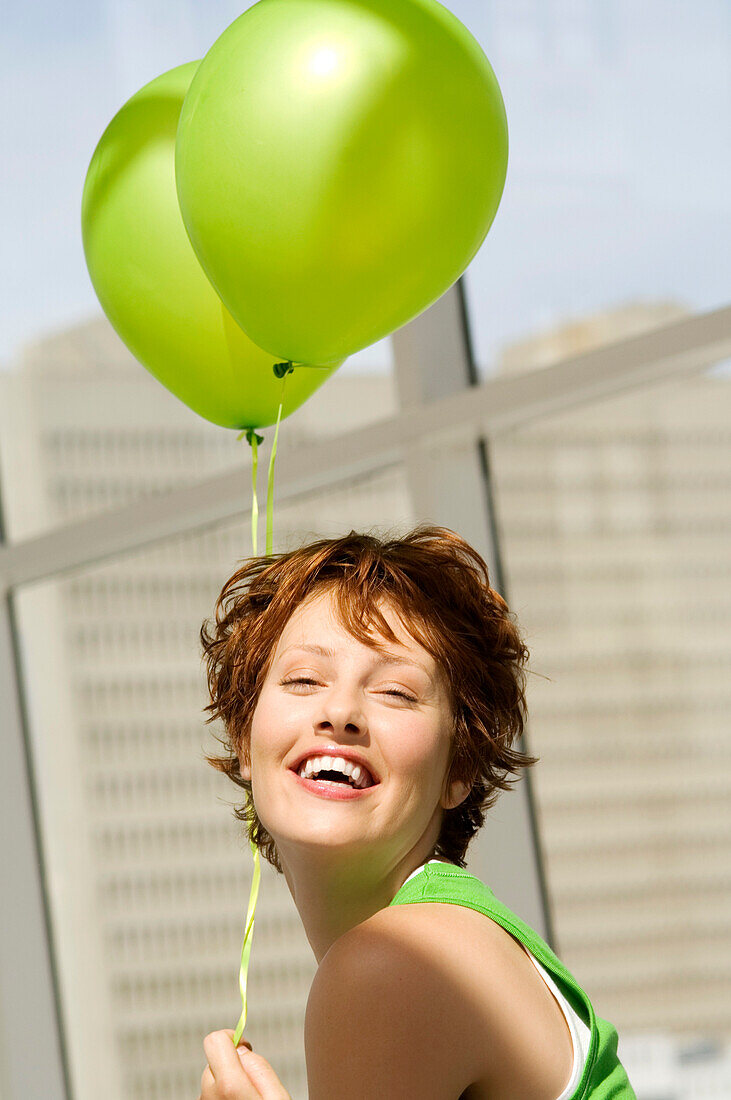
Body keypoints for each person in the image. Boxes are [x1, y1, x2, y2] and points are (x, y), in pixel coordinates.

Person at [196, 525, 636, 1099]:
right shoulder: (446, 938)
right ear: (243, 736)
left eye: (396, 692)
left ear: (459, 770)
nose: (340, 710)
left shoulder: (392, 964)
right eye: (304, 679)